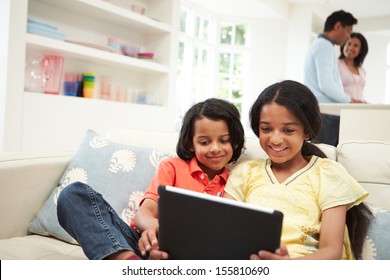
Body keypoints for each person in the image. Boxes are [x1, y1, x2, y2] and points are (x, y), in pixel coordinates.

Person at [57, 98, 245, 260]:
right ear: (190, 144)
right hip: (140, 246)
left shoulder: (234, 183)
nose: (215, 148)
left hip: (186, 257)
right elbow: (143, 213)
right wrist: (155, 230)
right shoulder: (172, 167)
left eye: (224, 140)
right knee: (72, 195)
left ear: (235, 141)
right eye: (205, 142)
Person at [224, 80, 372, 260]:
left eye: (288, 130)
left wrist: (289, 267)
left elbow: (332, 251)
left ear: (307, 132)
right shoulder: (245, 172)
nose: (276, 139)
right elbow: (223, 231)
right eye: (266, 129)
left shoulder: (328, 174)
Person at [304, 10, 362, 147]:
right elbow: (326, 84)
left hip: (325, 112)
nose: (348, 37)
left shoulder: (322, 45)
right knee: (324, 157)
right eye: (348, 31)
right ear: (337, 26)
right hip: (326, 113)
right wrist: (350, 101)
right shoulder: (324, 46)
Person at [338, 32, 369, 103]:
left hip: (359, 108)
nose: (351, 48)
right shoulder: (336, 65)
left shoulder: (362, 70)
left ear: (360, 50)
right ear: (343, 45)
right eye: (348, 44)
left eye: (355, 46)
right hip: (344, 106)